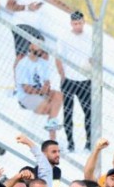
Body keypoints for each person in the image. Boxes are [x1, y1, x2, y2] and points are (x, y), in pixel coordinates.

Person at [56, 11, 93, 152]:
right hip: (69, 80)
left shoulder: (89, 38)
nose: (78, 26)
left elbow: (93, 58)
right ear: (71, 23)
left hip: (85, 80)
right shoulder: (64, 37)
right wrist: (62, 75)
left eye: (80, 23)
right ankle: (70, 143)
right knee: (68, 113)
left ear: (84, 22)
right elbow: (58, 57)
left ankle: (89, 143)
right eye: (75, 23)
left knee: (88, 112)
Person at [15, 41, 63, 139]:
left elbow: (47, 81)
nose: (41, 48)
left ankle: (52, 132)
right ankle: (50, 133)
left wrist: (46, 87)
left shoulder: (43, 63)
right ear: (31, 47)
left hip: (41, 93)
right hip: (26, 96)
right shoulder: (23, 63)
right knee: (49, 106)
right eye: (38, 46)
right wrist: (41, 92)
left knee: (59, 95)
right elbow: (26, 88)